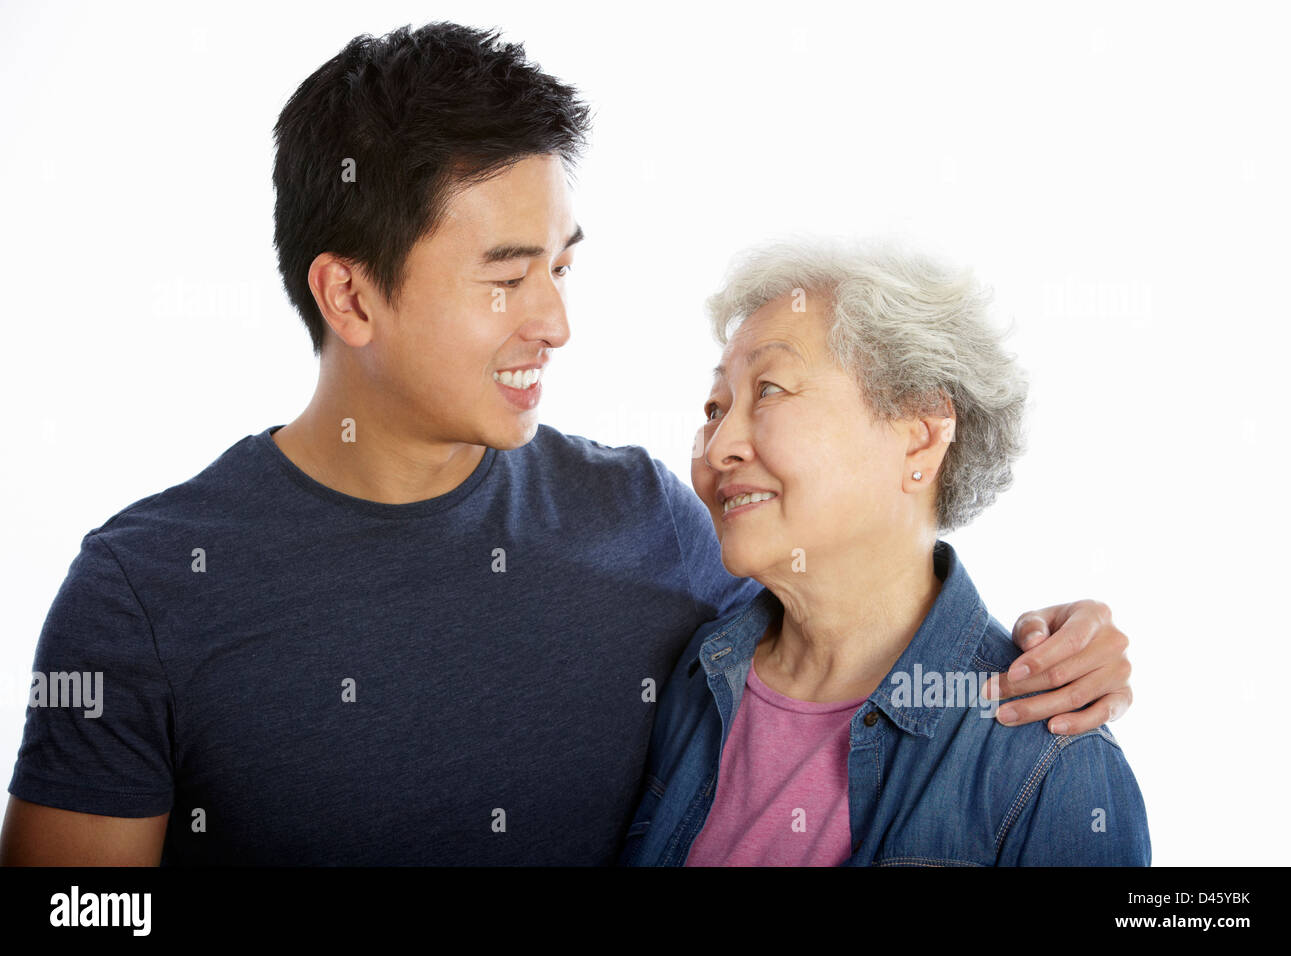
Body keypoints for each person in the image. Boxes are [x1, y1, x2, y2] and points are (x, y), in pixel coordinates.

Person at [2, 23, 1134, 866]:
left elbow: (849, 620)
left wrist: (1056, 647)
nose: (554, 321)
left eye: (562, 266)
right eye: (504, 277)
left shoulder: (649, 523)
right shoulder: (143, 587)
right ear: (350, 296)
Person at [619, 240, 1150, 866]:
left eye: (768, 390)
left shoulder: (1051, 762)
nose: (717, 448)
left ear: (921, 439)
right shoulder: (690, 678)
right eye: (715, 407)